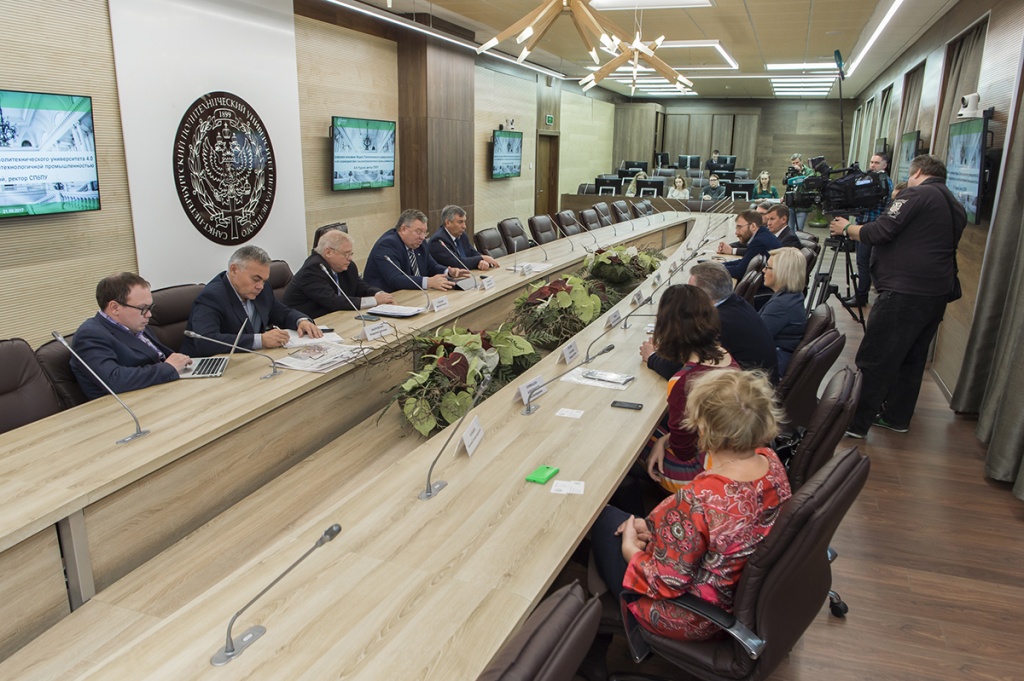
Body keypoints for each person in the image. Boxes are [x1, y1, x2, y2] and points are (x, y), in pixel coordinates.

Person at [590, 369, 791, 642]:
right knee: (622, 520)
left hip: (696, 615)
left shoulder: (699, 498)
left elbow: (665, 583)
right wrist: (655, 527)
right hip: (742, 596)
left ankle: (603, 629)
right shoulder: (771, 462)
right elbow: (721, 535)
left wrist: (629, 549)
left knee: (601, 521)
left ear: (704, 427)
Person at [829, 154, 966, 438]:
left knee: (875, 358)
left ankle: (854, 423)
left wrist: (847, 229)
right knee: (911, 360)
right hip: (936, 293)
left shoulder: (916, 194)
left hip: (904, 294)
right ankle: (897, 417)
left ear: (916, 172)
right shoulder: (954, 203)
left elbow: (881, 230)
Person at [640, 285, 739, 492]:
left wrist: (663, 442)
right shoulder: (724, 355)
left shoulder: (684, 382)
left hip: (704, 478)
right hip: (734, 456)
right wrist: (667, 439)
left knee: (637, 438)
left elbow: (683, 451)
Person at [641, 261, 778, 382]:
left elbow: (679, 368)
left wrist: (652, 356)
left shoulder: (717, 321)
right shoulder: (736, 303)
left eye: (691, 291)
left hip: (746, 400)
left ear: (703, 295)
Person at [181, 246, 322, 357]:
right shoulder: (212, 297)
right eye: (256, 279)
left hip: (250, 361)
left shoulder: (261, 289)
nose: (260, 286)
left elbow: (281, 313)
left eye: (264, 280)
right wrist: (260, 340)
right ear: (234, 270)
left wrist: (301, 321)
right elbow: (206, 341)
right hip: (207, 370)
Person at [71, 272, 192, 399]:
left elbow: (157, 357)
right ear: (115, 307)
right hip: (127, 406)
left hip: (161, 391)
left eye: (150, 307)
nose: (149, 314)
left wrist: (181, 362)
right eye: (143, 308)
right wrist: (168, 368)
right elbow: (114, 380)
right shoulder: (90, 335)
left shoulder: (134, 323)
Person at [283, 230, 394, 318]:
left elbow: (361, 287)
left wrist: (380, 294)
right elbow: (332, 301)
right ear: (328, 252)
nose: (350, 258)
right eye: (346, 254)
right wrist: (374, 301)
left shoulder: (347, 266)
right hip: (307, 324)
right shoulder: (313, 269)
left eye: (351, 253)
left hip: (336, 319)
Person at [363, 209, 470, 292]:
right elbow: (395, 279)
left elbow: (431, 266)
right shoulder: (387, 245)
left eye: (425, 233)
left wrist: (448, 272)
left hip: (414, 295)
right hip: (388, 298)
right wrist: (428, 282)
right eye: (418, 232)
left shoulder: (419, 243)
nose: (422, 237)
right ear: (404, 229)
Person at [842, 153, 893, 306]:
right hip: (863, 225)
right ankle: (859, 294)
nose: (872, 165)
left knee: (863, 263)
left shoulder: (882, 183)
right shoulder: (872, 180)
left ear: (885, 165)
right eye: (871, 162)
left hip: (870, 228)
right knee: (861, 262)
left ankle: (861, 297)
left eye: (876, 163)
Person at [760, 247, 808, 376]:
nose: (763, 270)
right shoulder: (792, 297)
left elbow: (754, 339)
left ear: (782, 272)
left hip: (769, 369)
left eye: (768, 267)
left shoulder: (780, 306)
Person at [428, 204, 500, 271]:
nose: (464, 226)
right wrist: (482, 258)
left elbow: (473, 252)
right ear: (448, 223)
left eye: (464, 222)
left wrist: (481, 261)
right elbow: (458, 263)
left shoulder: (461, 235)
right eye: (460, 222)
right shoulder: (438, 241)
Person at [719, 210, 782, 280]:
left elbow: (739, 272)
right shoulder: (762, 234)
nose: (736, 232)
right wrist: (718, 265)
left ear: (753, 226)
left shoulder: (759, 242)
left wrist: (712, 269)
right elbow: (744, 262)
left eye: (739, 227)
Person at [720, 204, 800, 255]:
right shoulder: (769, 231)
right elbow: (750, 242)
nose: (768, 223)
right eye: (768, 219)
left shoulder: (790, 239)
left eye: (772, 219)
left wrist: (732, 251)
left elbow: (762, 252)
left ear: (783, 219)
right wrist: (728, 246)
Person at [787, 154, 815, 230]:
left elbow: (807, 184)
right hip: (791, 203)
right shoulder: (791, 172)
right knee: (790, 228)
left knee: (799, 228)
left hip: (803, 203)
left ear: (801, 161)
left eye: (797, 162)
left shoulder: (809, 171)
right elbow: (788, 186)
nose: (795, 165)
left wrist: (799, 172)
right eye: (793, 163)